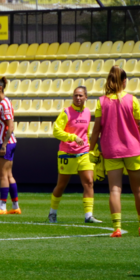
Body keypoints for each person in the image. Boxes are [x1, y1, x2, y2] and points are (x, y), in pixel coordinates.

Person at [88, 65, 140, 237]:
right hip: (133, 149)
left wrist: (91, 149)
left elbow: (96, 129)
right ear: (124, 81)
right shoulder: (132, 100)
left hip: (111, 150)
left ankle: (116, 228)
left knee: (115, 190)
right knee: (138, 190)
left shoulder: (101, 101)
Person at [48, 86, 102, 225]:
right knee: (61, 185)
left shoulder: (88, 113)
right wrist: (72, 137)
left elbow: (86, 133)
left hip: (83, 152)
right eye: (75, 95)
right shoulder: (66, 112)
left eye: (80, 95)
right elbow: (56, 131)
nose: (78, 98)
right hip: (67, 154)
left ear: (86, 97)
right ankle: (52, 213)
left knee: (89, 182)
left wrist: (90, 149)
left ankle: (88, 216)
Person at [0, 77, 20, 215]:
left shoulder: (5, 104)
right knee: (9, 175)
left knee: (3, 175)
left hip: (5, 142)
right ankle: (15, 206)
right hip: (6, 141)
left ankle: (2, 207)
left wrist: (4, 145)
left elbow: (10, 126)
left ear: (0, 88)